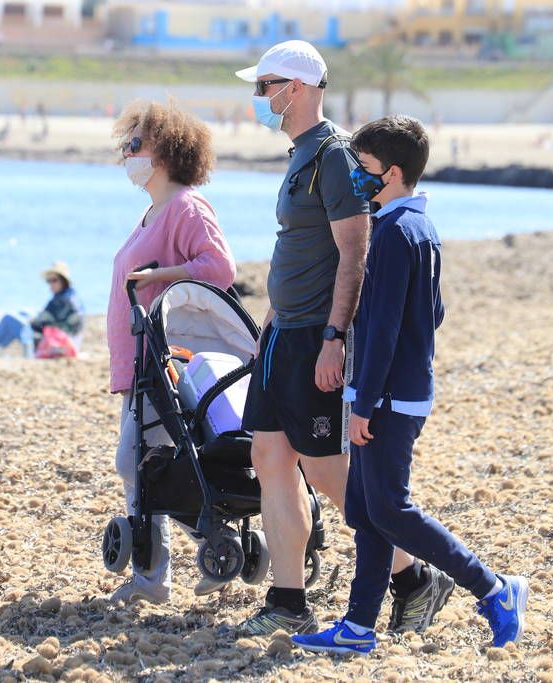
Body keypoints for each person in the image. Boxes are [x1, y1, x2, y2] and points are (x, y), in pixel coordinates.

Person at [292, 116, 527, 655]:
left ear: (393, 173)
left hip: (388, 398)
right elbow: (431, 314)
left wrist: (365, 403)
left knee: (390, 509)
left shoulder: (396, 234)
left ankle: (493, 589)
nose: (358, 179)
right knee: (367, 511)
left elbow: (384, 331)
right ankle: (356, 627)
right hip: (393, 391)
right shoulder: (417, 227)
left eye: (366, 170)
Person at [233, 41, 441, 636]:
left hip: (315, 338)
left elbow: (354, 253)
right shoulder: (301, 153)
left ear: (293, 88)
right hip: (285, 333)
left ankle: (413, 575)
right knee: (269, 456)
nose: (259, 98)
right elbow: (302, 249)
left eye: (264, 86)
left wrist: (333, 338)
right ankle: (287, 596)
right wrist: (271, 318)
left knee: (327, 471)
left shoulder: (335, 155)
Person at [107, 100, 236, 604]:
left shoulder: (186, 206)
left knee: (136, 462)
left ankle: (157, 574)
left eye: (135, 144)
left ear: (167, 149)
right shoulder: (153, 211)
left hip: (165, 363)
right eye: (125, 145)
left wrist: (161, 277)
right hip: (140, 365)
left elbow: (219, 269)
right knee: (144, 463)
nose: (128, 154)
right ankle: (207, 546)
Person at [0, 262, 85, 359]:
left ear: (63, 281)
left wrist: (29, 319)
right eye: (48, 281)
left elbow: (38, 322)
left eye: (54, 280)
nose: (50, 284)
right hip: (67, 340)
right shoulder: (72, 296)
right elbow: (47, 318)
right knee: (22, 314)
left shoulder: (60, 301)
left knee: (9, 319)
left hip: (56, 343)